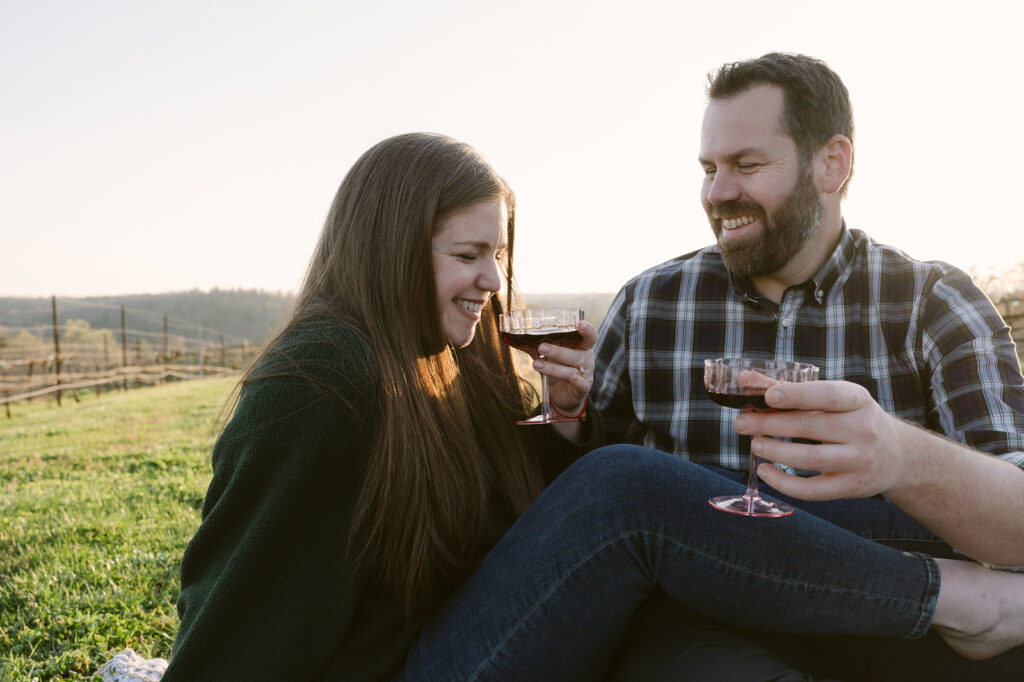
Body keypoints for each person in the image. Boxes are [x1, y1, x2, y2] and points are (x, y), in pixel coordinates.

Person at [161, 132, 1022, 682]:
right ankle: (959, 599)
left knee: (710, 486)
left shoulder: (445, 361)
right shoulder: (320, 382)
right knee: (628, 493)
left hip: (476, 634)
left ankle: (977, 569)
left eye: (496, 254)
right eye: (468, 255)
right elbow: (232, 628)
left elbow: (488, 531)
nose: (494, 283)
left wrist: (559, 435)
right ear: (388, 249)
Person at [592, 53, 1024, 680]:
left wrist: (899, 457)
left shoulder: (932, 301)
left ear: (833, 163)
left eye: (746, 165)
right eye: (709, 169)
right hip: (709, 625)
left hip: (909, 620)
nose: (718, 192)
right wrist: (568, 419)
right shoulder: (649, 305)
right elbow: (593, 498)